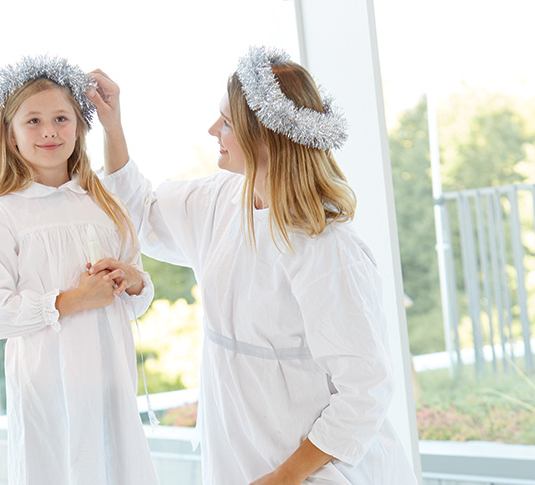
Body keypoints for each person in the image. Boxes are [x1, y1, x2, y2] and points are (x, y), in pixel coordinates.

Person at [89, 46, 418, 484]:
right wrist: (113, 125)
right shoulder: (224, 199)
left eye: (225, 122)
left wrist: (282, 478)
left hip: (315, 467)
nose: (212, 130)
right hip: (242, 445)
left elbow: (366, 390)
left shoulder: (326, 248)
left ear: (263, 136)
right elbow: (141, 211)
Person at [0, 55, 158, 485]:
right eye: (33, 121)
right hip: (47, 392)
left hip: (110, 386)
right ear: (12, 135)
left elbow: (137, 300)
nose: (50, 131)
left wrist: (133, 281)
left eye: (61, 118)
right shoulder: (3, 215)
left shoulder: (105, 206)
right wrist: (74, 299)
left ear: (79, 126)